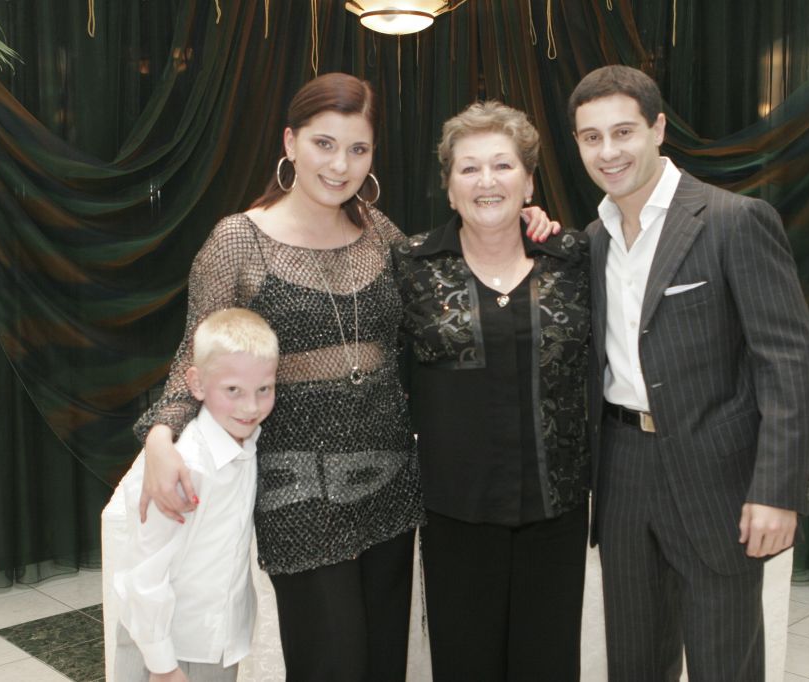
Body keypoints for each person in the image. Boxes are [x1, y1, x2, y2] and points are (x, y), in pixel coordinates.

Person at [134, 72, 557, 682]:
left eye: (358, 149)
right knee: (331, 664)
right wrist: (159, 436)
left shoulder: (380, 233)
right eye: (324, 144)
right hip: (297, 489)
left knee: (384, 663)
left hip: (390, 481)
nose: (340, 165)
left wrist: (519, 221)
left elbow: (451, 290)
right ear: (290, 143)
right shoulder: (239, 240)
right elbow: (193, 356)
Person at [571, 65, 809, 681]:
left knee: (724, 663)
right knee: (634, 662)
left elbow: (787, 362)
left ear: (658, 129)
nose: (608, 151)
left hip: (717, 477)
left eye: (623, 132)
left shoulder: (734, 220)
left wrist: (777, 489)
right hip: (623, 470)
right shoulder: (592, 240)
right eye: (591, 137)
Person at [392, 101, 591, 682]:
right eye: (469, 168)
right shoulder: (410, 264)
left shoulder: (575, 259)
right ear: (449, 187)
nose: (486, 181)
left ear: (528, 182)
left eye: (503, 166)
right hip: (455, 513)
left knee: (549, 667)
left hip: (556, 511)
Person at [114, 308, 279, 682]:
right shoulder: (183, 467)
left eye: (264, 390)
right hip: (166, 649)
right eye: (233, 390)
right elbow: (145, 571)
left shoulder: (250, 444)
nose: (250, 407)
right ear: (197, 384)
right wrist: (162, 665)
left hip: (216, 644)